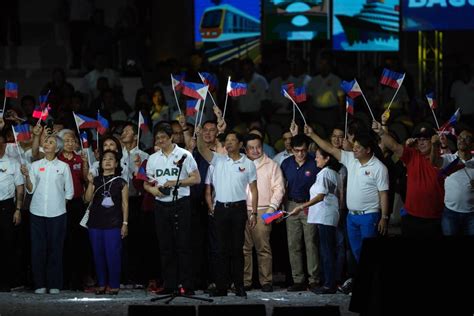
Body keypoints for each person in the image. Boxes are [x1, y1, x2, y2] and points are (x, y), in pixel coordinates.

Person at [305, 124, 389, 263]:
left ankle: (372, 283)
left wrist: (384, 217)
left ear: (368, 150)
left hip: (369, 216)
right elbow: (330, 149)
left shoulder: (379, 168)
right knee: (356, 252)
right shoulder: (351, 159)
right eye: (354, 146)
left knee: (369, 254)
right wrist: (312, 134)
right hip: (351, 216)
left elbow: (384, 194)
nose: (353, 149)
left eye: (357, 148)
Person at [197, 128, 258, 298]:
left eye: (232, 140)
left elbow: (254, 189)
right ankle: (221, 287)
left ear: (240, 144)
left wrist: (254, 212)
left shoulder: (248, 164)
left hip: (239, 209)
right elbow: (202, 149)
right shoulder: (218, 160)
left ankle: (239, 286)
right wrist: (199, 134)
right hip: (220, 210)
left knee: (237, 250)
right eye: (227, 140)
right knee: (220, 250)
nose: (229, 143)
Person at [144, 123, 201, 294]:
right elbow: (147, 181)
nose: (160, 140)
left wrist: (176, 183)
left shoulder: (185, 155)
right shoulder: (153, 158)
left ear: (171, 137)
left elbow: (196, 179)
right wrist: (152, 190)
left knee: (183, 245)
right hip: (161, 204)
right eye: (158, 138)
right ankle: (169, 285)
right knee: (165, 246)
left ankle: (187, 285)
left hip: (181, 203)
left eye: (163, 137)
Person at [21, 134, 74, 294]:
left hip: (57, 214)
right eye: (46, 141)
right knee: (38, 249)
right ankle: (39, 284)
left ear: (57, 148)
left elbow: (69, 192)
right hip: (36, 212)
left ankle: (55, 284)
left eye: (51, 142)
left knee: (55, 249)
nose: (47, 143)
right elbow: (30, 188)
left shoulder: (64, 167)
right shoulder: (35, 165)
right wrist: (26, 175)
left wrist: (59, 206)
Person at [373, 121, 443, 237]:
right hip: (411, 218)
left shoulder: (444, 158)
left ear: (433, 140)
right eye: (418, 139)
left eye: (425, 139)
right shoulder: (412, 155)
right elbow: (394, 146)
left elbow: (436, 161)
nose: (421, 142)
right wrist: (381, 132)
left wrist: (437, 146)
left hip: (434, 218)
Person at [289, 148, 341, 294]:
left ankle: (329, 284)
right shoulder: (333, 173)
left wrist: (301, 206)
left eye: (318, 157)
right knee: (327, 249)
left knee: (327, 251)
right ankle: (328, 282)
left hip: (326, 216)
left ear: (327, 159)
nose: (316, 159)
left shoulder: (325, 173)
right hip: (327, 216)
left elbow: (320, 196)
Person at [243, 134, 285, 292]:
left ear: (262, 147)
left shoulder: (272, 165)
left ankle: (266, 281)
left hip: (264, 210)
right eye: (251, 148)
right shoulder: (241, 164)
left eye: (258, 147)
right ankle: (245, 281)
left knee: (263, 248)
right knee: (244, 249)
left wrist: (271, 211)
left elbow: (279, 189)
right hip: (243, 209)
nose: (255, 150)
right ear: (246, 150)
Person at [84, 150, 129, 295]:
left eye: (111, 159)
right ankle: (102, 283)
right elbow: (87, 199)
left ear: (116, 163)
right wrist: (90, 183)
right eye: (104, 159)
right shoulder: (95, 180)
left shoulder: (121, 182)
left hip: (113, 223)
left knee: (113, 255)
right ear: (100, 163)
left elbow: (125, 204)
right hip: (95, 223)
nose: (107, 161)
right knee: (98, 255)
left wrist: (125, 223)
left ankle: (114, 284)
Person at [280, 134, 320, 291]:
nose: (300, 154)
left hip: (310, 205)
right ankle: (298, 280)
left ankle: (314, 280)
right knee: (293, 244)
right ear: (291, 150)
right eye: (297, 151)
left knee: (311, 244)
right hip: (291, 205)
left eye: (303, 150)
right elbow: (282, 186)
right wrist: (282, 206)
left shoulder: (314, 162)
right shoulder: (286, 163)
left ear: (307, 148)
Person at [432, 129, 474, 235]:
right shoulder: (450, 159)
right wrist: (434, 145)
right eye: (460, 138)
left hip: (471, 214)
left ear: (472, 145)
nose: (462, 140)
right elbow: (434, 162)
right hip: (450, 213)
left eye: (466, 138)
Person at [0, 132, 24, 292]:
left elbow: (20, 188)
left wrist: (18, 209)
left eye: (1, 143)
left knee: (6, 244)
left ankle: (5, 282)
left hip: (6, 207)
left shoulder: (13, 162)